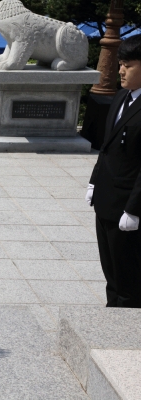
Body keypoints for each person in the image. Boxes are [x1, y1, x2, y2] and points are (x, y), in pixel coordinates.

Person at [87, 34, 141, 308]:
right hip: (107, 199)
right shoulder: (121, 97)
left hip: (129, 206)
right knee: (110, 270)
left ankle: (127, 325)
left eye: (128, 65)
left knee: (129, 276)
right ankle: (112, 315)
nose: (120, 70)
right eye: (121, 63)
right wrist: (94, 182)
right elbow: (106, 147)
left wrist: (134, 209)